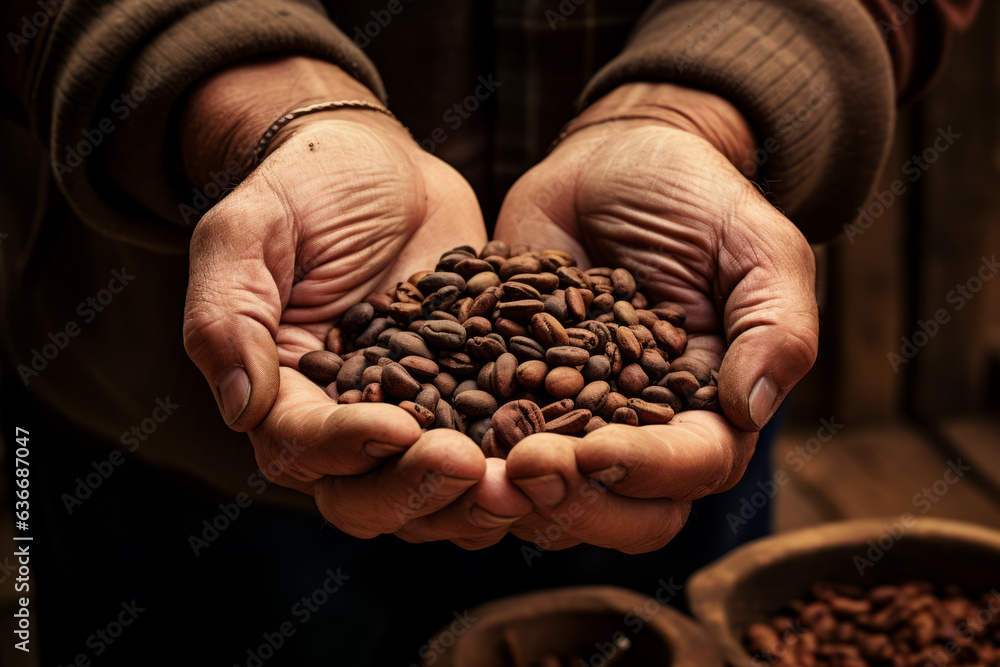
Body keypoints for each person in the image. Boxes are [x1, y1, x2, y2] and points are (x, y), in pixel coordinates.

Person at [0, 0, 980, 663]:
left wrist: (707, 105)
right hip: (166, 407)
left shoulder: (625, 351)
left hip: (676, 362)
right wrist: (248, 104)